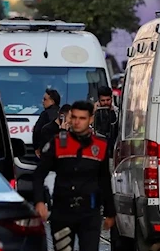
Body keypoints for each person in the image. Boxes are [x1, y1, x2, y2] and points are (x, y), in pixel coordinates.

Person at [33, 100, 116, 251]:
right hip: (62, 212)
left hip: (89, 213)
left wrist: (110, 212)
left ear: (91, 119)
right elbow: (39, 174)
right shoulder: (58, 143)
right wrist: (39, 202)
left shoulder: (100, 146)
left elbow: (104, 179)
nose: (77, 122)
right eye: (74, 117)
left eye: (82, 118)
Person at [32, 88, 61, 155]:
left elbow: (37, 131)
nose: (42, 101)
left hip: (47, 150)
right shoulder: (63, 113)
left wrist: (36, 148)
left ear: (52, 101)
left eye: (45, 99)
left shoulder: (45, 114)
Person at [92, 86, 119, 157]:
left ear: (111, 99)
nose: (106, 103)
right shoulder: (95, 112)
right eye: (103, 100)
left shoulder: (117, 112)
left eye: (108, 100)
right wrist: (94, 112)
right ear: (99, 100)